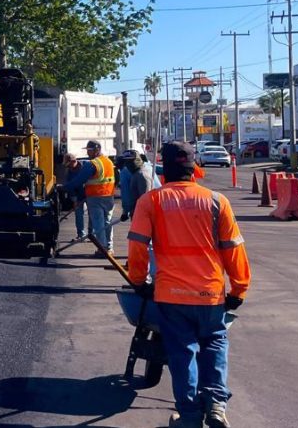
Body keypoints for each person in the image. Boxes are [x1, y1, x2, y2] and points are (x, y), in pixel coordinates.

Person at [128, 142, 251, 428]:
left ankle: (190, 416)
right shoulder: (217, 201)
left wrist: (138, 281)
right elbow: (234, 249)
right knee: (215, 343)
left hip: (172, 296)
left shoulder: (151, 201)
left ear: (164, 169)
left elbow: (137, 247)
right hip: (210, 294)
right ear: (194, 168)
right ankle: (216, 405)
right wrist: (239, 289)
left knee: (182, 352)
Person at [63, 140, 116, 256]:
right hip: (109, 197)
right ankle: (109, 248)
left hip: (96, 197)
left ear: (97, 150)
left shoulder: (92, 164)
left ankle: (102, 249)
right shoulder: (108, 161)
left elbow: (79, 180)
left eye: (90, 150)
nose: (88, 153)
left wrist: (63, 188)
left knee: (98, 223)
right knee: (107, 222)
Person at [119, 150, 151, 221]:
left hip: (141, 213)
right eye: (126, 161)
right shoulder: (146, 168)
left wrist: (125, 211)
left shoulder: (140, 174)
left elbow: (145, 198)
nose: (128, 164)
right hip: (141, 211)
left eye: (130, 161)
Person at [63, 153, 89, 241]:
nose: (68, 167)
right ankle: (81, 234)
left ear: (74, 161)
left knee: (92, 214)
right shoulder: (69, 172)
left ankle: (91, 234)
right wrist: (74, 199)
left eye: (69, 165)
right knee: (78, 214)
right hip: (78, 196)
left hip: (89, 194)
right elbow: (70, 186)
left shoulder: (86, 166)